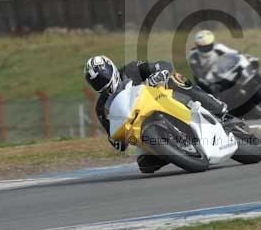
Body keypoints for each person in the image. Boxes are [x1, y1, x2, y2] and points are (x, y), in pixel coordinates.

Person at [84, 55, 230, 173]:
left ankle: (216, 106)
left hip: (162, 100)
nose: (102, 83)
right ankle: (178, 150)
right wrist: (116, 139)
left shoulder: (131, 69)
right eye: (96, 82)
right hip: (141, 129)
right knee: (145, 165)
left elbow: (163, 65)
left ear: (111, 69)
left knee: (176, 79)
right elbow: (116, 141)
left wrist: (159, 74)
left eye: (103, 77)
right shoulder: (102, 107)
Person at [188, 29, 258, 89]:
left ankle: (250, 79)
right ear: (197, 46)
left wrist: (246, 57)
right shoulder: (194, 56)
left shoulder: (218, 47)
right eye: (202, 47)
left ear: (212, 43)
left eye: (208, 46)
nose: (205, 48)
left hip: (223, 72)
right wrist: (209, 84)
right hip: (208, 79)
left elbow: (234, 53)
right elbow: (198, 75)